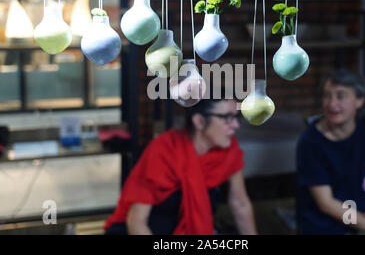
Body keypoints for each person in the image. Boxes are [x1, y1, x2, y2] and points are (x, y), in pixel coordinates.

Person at [104, 91, 257, 235]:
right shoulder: (163, 150)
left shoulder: (228, 149)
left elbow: (240, 204)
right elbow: (136, 222)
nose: (235, 125)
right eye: (227, 118)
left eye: (236, 117)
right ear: (199, 121)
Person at [296, 69, 365, 235]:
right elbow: (326, 203)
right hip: (326, 227)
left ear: (360, 100)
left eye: (340, 96)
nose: (331, 104)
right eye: (327, 96)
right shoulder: (311, 142)